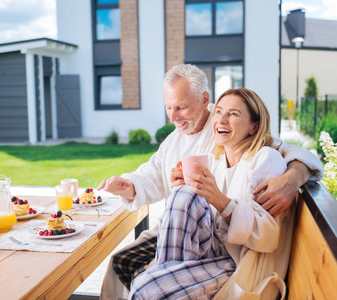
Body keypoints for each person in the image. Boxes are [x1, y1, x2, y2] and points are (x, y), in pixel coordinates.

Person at [98, 64, 323, 300]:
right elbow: (153, 173)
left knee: (146, 281)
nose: (173, 117)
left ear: (205, 99)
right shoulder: (184, 142)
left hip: (227, 247)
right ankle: (168, 279)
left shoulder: (234, 132)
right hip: (193, 233)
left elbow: (286, 152)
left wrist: (293, 177)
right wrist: (128, 185)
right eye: (168, 108)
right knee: (122, 260)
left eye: (181, 107)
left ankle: (162, 281)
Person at [129, 87, 295, 299]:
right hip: (215, 251)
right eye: (218, 112)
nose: (221, 120)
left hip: (241, 263)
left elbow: (268, 236)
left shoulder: (266, 159)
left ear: (254, 126)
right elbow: (201, 216)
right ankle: (165, 275)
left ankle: (163, 277)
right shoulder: (215, 159)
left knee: (144, 287)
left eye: (233, 114)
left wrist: (221, 201)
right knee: (184, 195)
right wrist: (183, 188)